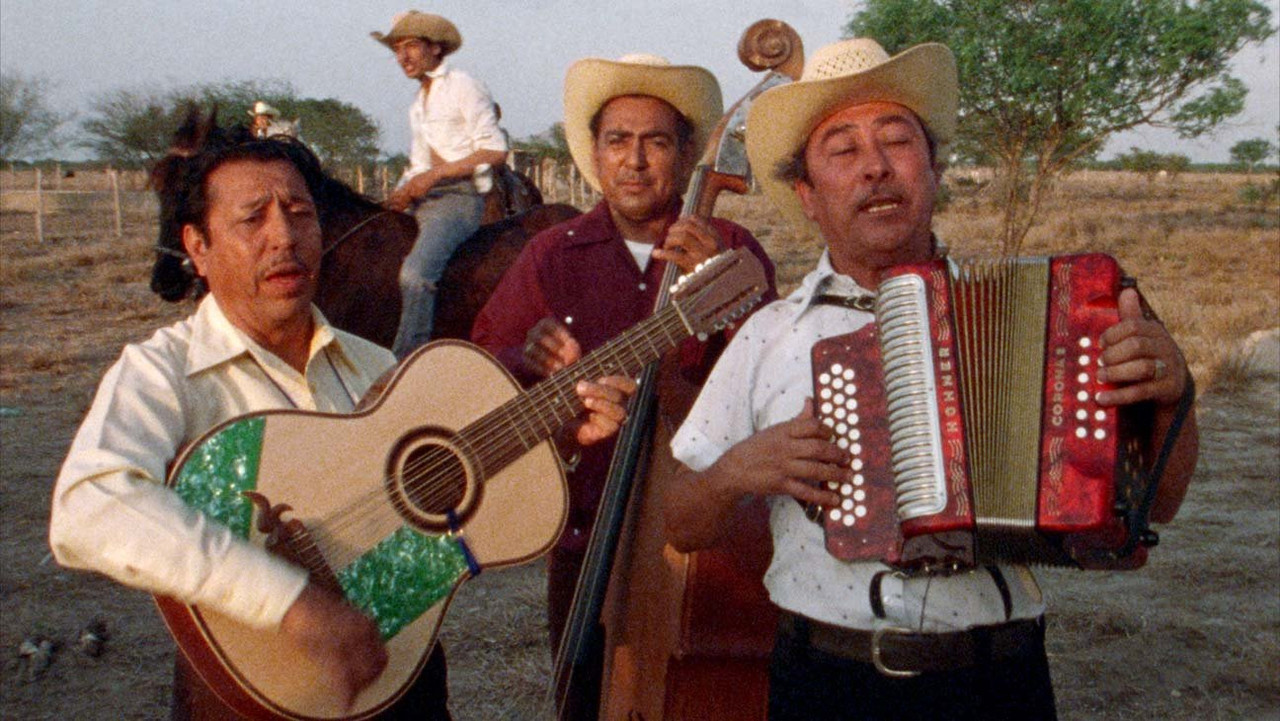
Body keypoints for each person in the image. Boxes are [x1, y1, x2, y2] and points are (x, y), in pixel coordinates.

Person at [663, 38, 1199, 721]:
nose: (876, 168)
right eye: (842, 150)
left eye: (898, 141)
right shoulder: (768, 334)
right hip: (829, 679)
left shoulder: (1052, 320)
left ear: (935, 171)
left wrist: (1174, 396)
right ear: (807, 194)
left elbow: (1160, 505)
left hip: (999, 679)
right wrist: (734, 471)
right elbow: (681, 522)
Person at [48, 128, 635, 719]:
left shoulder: (375, 365)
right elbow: (89, 504)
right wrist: (291, 603)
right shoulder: (163, 371)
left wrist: (551, 438)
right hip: (252, 694)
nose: (284, 237)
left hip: (401, 675)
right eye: (253, 220)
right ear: (197, 247)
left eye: (300, 213)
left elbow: (442, 510)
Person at [471, 53, 778, 653]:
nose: (634, 161)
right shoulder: (551, 254)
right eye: (618, 141)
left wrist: (718, 282)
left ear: (686, 157)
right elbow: (486, 366)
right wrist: (525, 359)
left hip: (710, 539)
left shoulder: (732, 247)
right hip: (587, 533)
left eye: (655, 142)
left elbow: (776, 377)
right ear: (596, 153)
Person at [371, 10, 509, 358]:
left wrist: (433, 176)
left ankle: (405, 364)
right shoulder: (418, 104)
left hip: (457, 200)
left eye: (411, 46)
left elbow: (495, 150)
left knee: (416, 276)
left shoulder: (462, 85)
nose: (403, 56)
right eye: (397, 49)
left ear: (435, 48)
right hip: (423, 198)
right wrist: (401, 191)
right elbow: (419, 163)